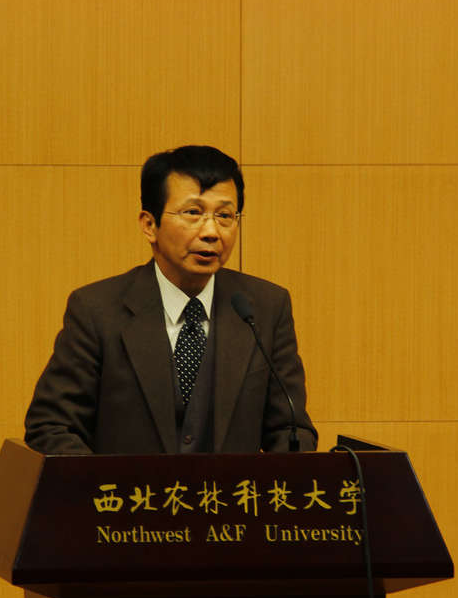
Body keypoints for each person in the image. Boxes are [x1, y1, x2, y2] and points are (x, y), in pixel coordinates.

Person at [24, 145, 316, 455]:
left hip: (233, 488)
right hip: (128, 487)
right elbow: (51, 426)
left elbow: (291, 429)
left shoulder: (266, 308)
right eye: (193, 213)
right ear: (149, 225)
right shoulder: (97, 310)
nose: (211, 232)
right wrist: (106, 482)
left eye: (224, 216)